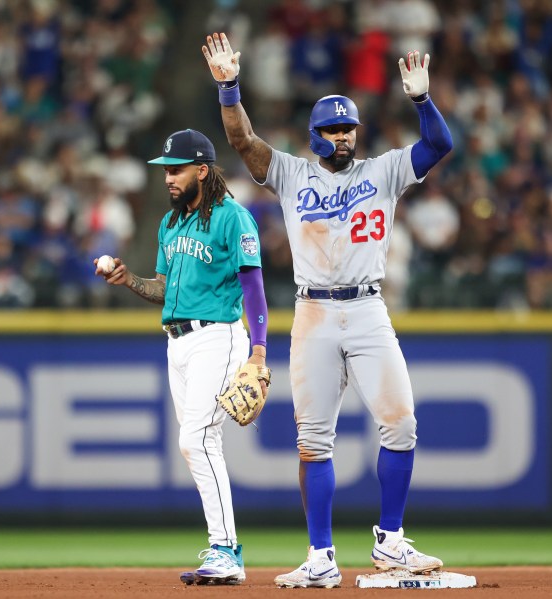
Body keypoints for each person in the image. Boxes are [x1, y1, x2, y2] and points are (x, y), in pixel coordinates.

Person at [202, 32, 453, 588]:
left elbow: (438, 146)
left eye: (348, 129)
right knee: (313, 440)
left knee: (402, 423)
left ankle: (390, 542)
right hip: (314, 313)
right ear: (315, 136)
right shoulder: (293, 174)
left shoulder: (382, 170)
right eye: (332, 131)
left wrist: (421, 102)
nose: (342, 137)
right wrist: (229, 88)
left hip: (367, 309)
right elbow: (243, 142)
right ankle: (321, 557)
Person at [95, 128, 269, 586]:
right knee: (200, 443)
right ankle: (223, 548)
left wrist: (259, 351)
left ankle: (226, 550)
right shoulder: (170, 224)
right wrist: (129, 279)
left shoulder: (234, 218)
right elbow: (162, 289)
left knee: (196, 440)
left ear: (203, 171)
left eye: (176, 170)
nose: (168, 178)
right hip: (177, 342)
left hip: (219, 336)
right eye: (165, 171)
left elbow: (253, 287)